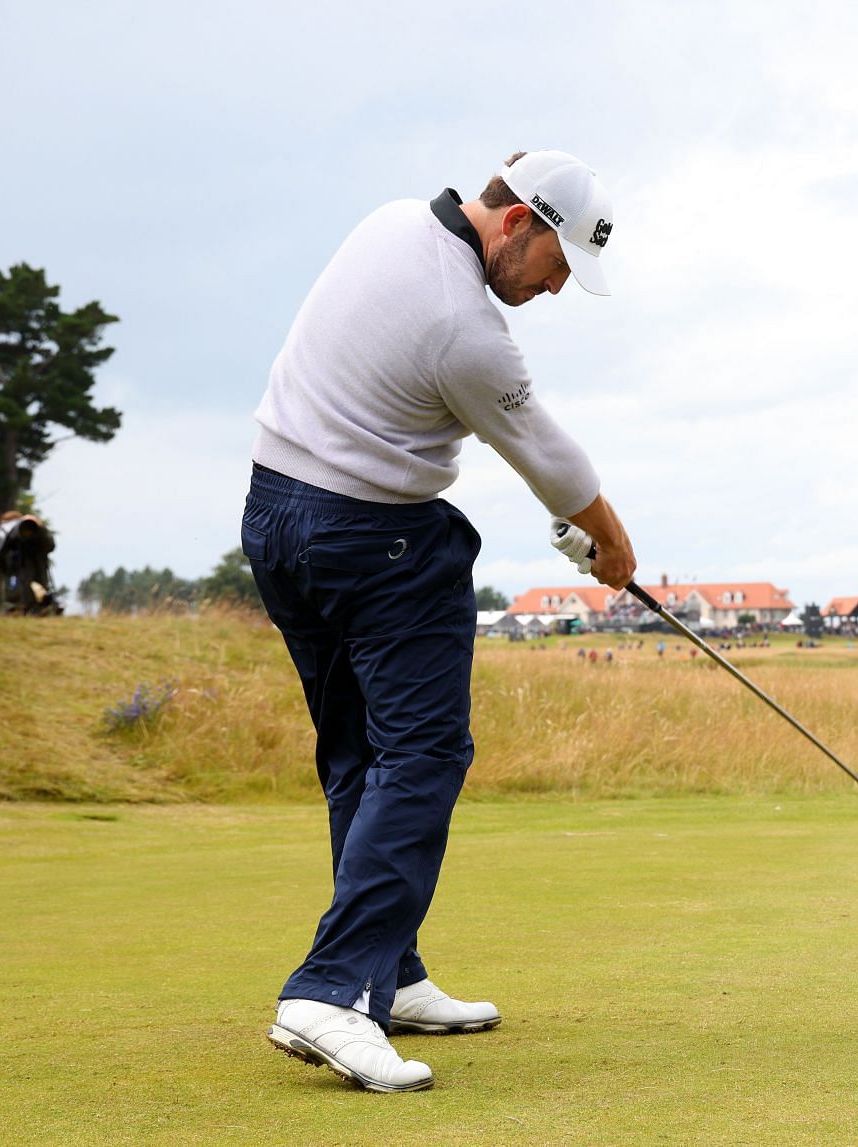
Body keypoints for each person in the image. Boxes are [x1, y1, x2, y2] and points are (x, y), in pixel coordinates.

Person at [245, 149, 633, 1094]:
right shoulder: (467, 325)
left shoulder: (388, 224)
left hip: (276, 519)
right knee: (421, 756)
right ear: (517, 223)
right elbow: (550, 458)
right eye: (555, 268)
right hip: (372, 540)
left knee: (356, 756)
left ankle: (388, 971)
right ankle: (334, 990)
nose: (550, 290)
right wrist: (613, 550)